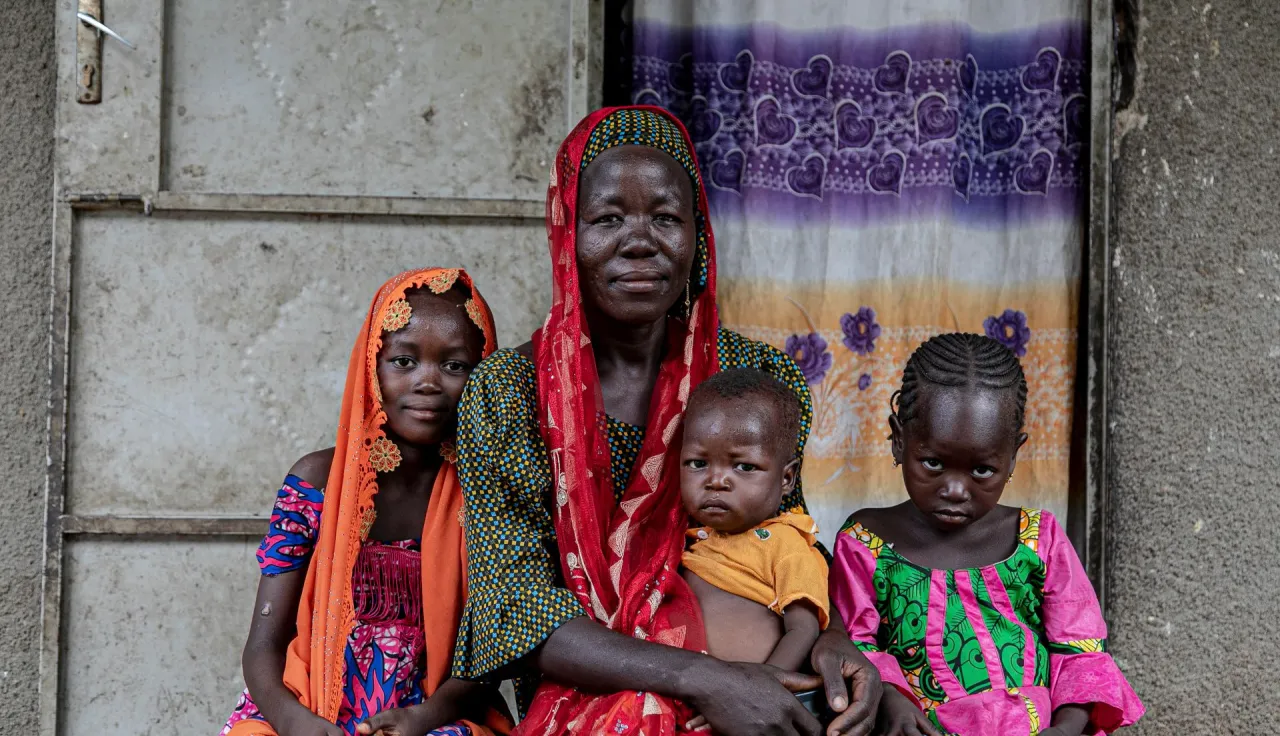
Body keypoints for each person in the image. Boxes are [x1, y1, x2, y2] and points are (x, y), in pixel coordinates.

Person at [450, 106, 880, 736]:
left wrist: (833, 638)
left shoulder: (756, 378)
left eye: (666, 217)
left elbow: (782, 534)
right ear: (567, 232)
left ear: (697, 234)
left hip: (757, 670)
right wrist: (707, 680)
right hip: (600, 689)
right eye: (607, 218)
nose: (639, 239)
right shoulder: (508, 394)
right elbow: (514, 612)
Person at [221, 268, 512, 736]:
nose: (428, 382)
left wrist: (425, 717)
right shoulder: (315, 482)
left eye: (456, 366)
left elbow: (489, 656)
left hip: (433, 716)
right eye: (403, 361)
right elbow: (262, 648)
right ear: (370, 367)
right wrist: (297, 723)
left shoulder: (485, 495)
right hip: (305, 709)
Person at [829, 333, 1145, 736]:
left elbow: (1080, 651)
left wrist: (1065, 729)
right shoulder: (867, 542)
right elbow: (857, 645)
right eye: (932, 463)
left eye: (982, 470)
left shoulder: (1038, 537)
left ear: (1013, 455)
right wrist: (892, 701)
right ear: (898, 440)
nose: (956, 490)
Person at [679, 368, 829, 672]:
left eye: (744, 467)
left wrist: (764, 686)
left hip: (760, 701)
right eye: (698, 463)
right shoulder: (687, 538)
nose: (716, 480)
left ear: (786, 478)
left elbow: (804, 630)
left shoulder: (786, 545)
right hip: (693, 693)